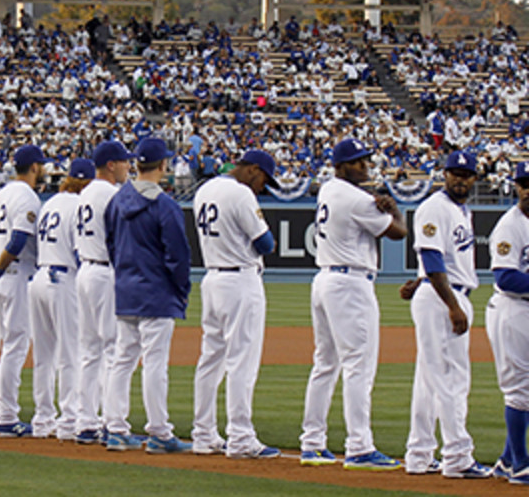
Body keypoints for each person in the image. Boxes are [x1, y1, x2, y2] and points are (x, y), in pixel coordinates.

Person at [299, 137, 407, 470]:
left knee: (325, 364)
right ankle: (359, 445)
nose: (364, 166)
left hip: (325, 280)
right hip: (350, 284)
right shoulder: (359, 199)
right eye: (357, 161)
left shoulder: (328, 190)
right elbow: (398, 233)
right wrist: (394, 209)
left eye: (365, 159)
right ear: (341, 165)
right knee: (359, 365)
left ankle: (312, 443)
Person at [403, 150, 490, 478]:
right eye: (454, 172)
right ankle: (457, 456)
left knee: (428, 379)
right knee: (451, 378)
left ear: (474, 179)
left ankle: (419, 453)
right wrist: (452, 305)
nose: (460, 179)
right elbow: (432, 257)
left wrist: (421, 280)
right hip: (445, 297)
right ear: (445, 173)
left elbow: (440, 260)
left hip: (442, 292)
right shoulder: (434, 207)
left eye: (466, 174)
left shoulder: (461, 211)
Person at [104, 137, 191, 453]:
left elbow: (111, 244)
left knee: (122, 359)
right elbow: (178, 256)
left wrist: (125, 274)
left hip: (126, 287)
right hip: (157, 291)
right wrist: (180, 289)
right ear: (163, 165)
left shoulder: (117, 201)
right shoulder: (165, 205)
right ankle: (159, 432)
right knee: (154, 362)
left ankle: (115, 427)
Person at [190, 150, 279, 459]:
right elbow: (265, 244)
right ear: (253, 170)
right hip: (240, 280)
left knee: (210, 358)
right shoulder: (240, 194)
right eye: (263, 180)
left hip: (212, 278)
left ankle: (203, 434)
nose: (262, 188)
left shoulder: (205, 188)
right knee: (242, 359)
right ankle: (240, 437)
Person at [0, 144, 48, 437]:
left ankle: (5, 414)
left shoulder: (1, 194)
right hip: (15, 273)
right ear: (34, 168)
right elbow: (19, 239)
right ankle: (6, 417)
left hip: (0, 273)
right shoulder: (26, 197)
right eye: (41, 165)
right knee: (15, 345)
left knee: (9, 343)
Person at [28, 157, 90, 441]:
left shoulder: (50, 202)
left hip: (39, 277)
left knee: (44, 355)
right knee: (70, 352)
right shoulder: (79, 206)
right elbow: (80, 251)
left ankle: (42, 419)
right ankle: (69, 419)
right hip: (62, 279)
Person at [74, 139, 131, 445]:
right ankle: (112, 422)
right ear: (111, 165)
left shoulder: (84, 194)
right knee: (113, 348)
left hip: (84, 269)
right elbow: (121, 239)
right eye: (123, 162)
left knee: (89, 349)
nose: (127, 166)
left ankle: (86, 422)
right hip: (105, 271)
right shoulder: (112, 194)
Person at [488, 161, 529, 482]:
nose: (527, 188)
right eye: (523, 183)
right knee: (518, 390)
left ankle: (504, 460)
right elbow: (505, 278)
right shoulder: (510, 226)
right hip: (513, 310)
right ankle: (520, 464)